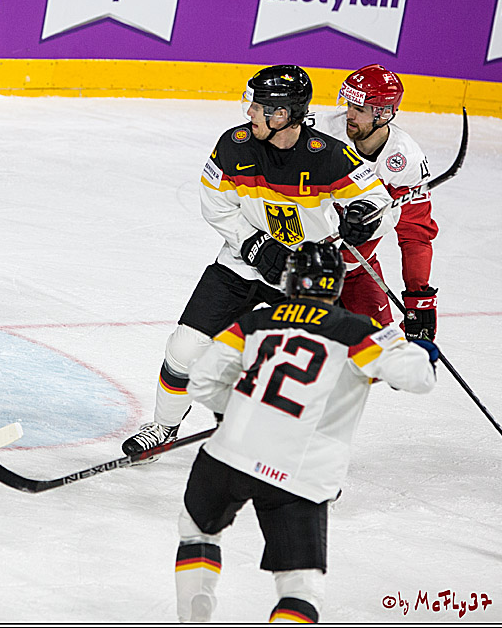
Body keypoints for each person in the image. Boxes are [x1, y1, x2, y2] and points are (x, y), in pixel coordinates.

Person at [121, 64, 399, 460]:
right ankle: (164, 428)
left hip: (304, 282)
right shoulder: (234, 146)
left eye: (257, 106)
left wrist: (364, 219)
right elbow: (215, 203)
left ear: (282, 115)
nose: (248, 112)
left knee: (312, 375)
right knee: (184, 349)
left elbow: (378, 204)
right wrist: (253, 245)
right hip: (240, 265)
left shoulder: (329, 157)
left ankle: (310, 461)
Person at [172, 241, 438, 623]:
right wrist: (417, 349)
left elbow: (201, 382)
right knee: (300, 588)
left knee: (197, 531)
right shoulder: (357, 331)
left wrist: (244, 410)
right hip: (299, 473)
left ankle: (192, 611)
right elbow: (416, 378)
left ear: (290, 279)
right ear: (337, 284)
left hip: (229, 454)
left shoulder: (256, 320)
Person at [313, 64, 439, 340]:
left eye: (359, 109)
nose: (349, 114)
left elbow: (415, 234)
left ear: (383, 114)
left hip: (356, 268)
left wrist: (419, 296)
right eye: (348, 105)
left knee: (381, 350)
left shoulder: (406, 160)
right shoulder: (320, 131)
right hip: (301, 265)